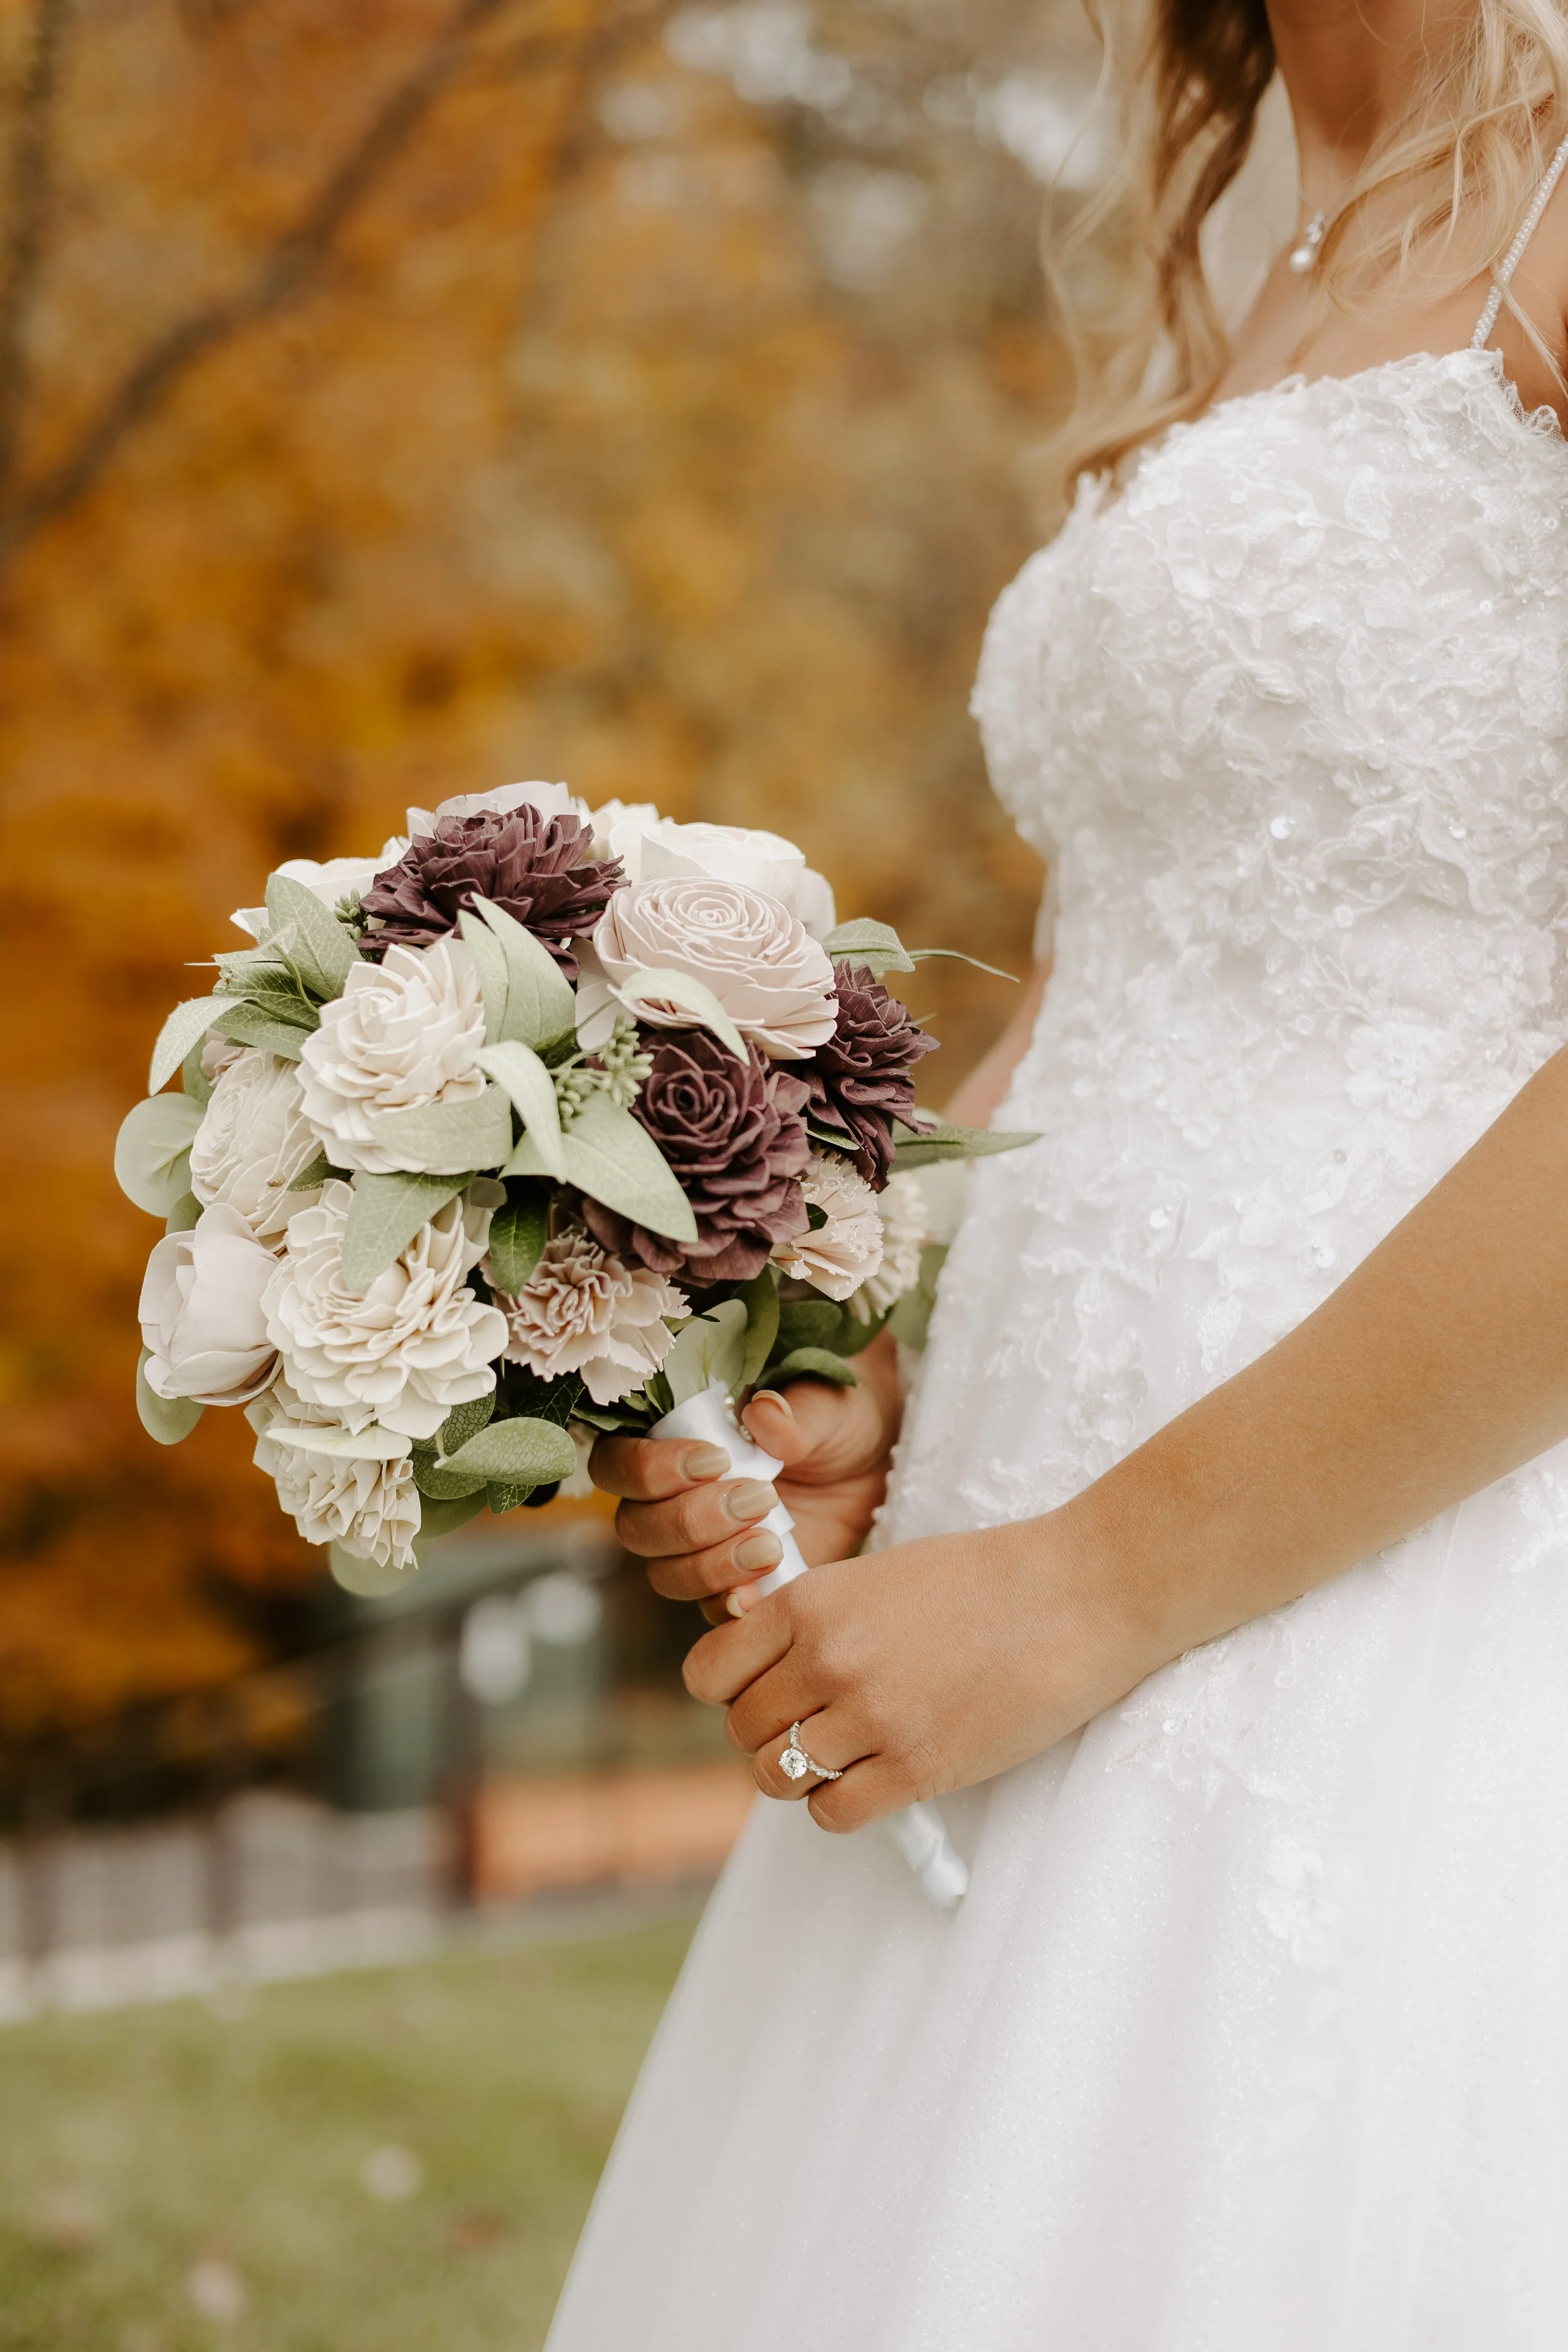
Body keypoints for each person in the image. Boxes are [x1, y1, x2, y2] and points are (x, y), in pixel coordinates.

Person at [546, 4, 1568, 2343]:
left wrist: (1095, 1584)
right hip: (1005, 1541)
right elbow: (1129, 969)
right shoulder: (1249, 232)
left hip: (1376, 1582)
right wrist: (863, 1321)